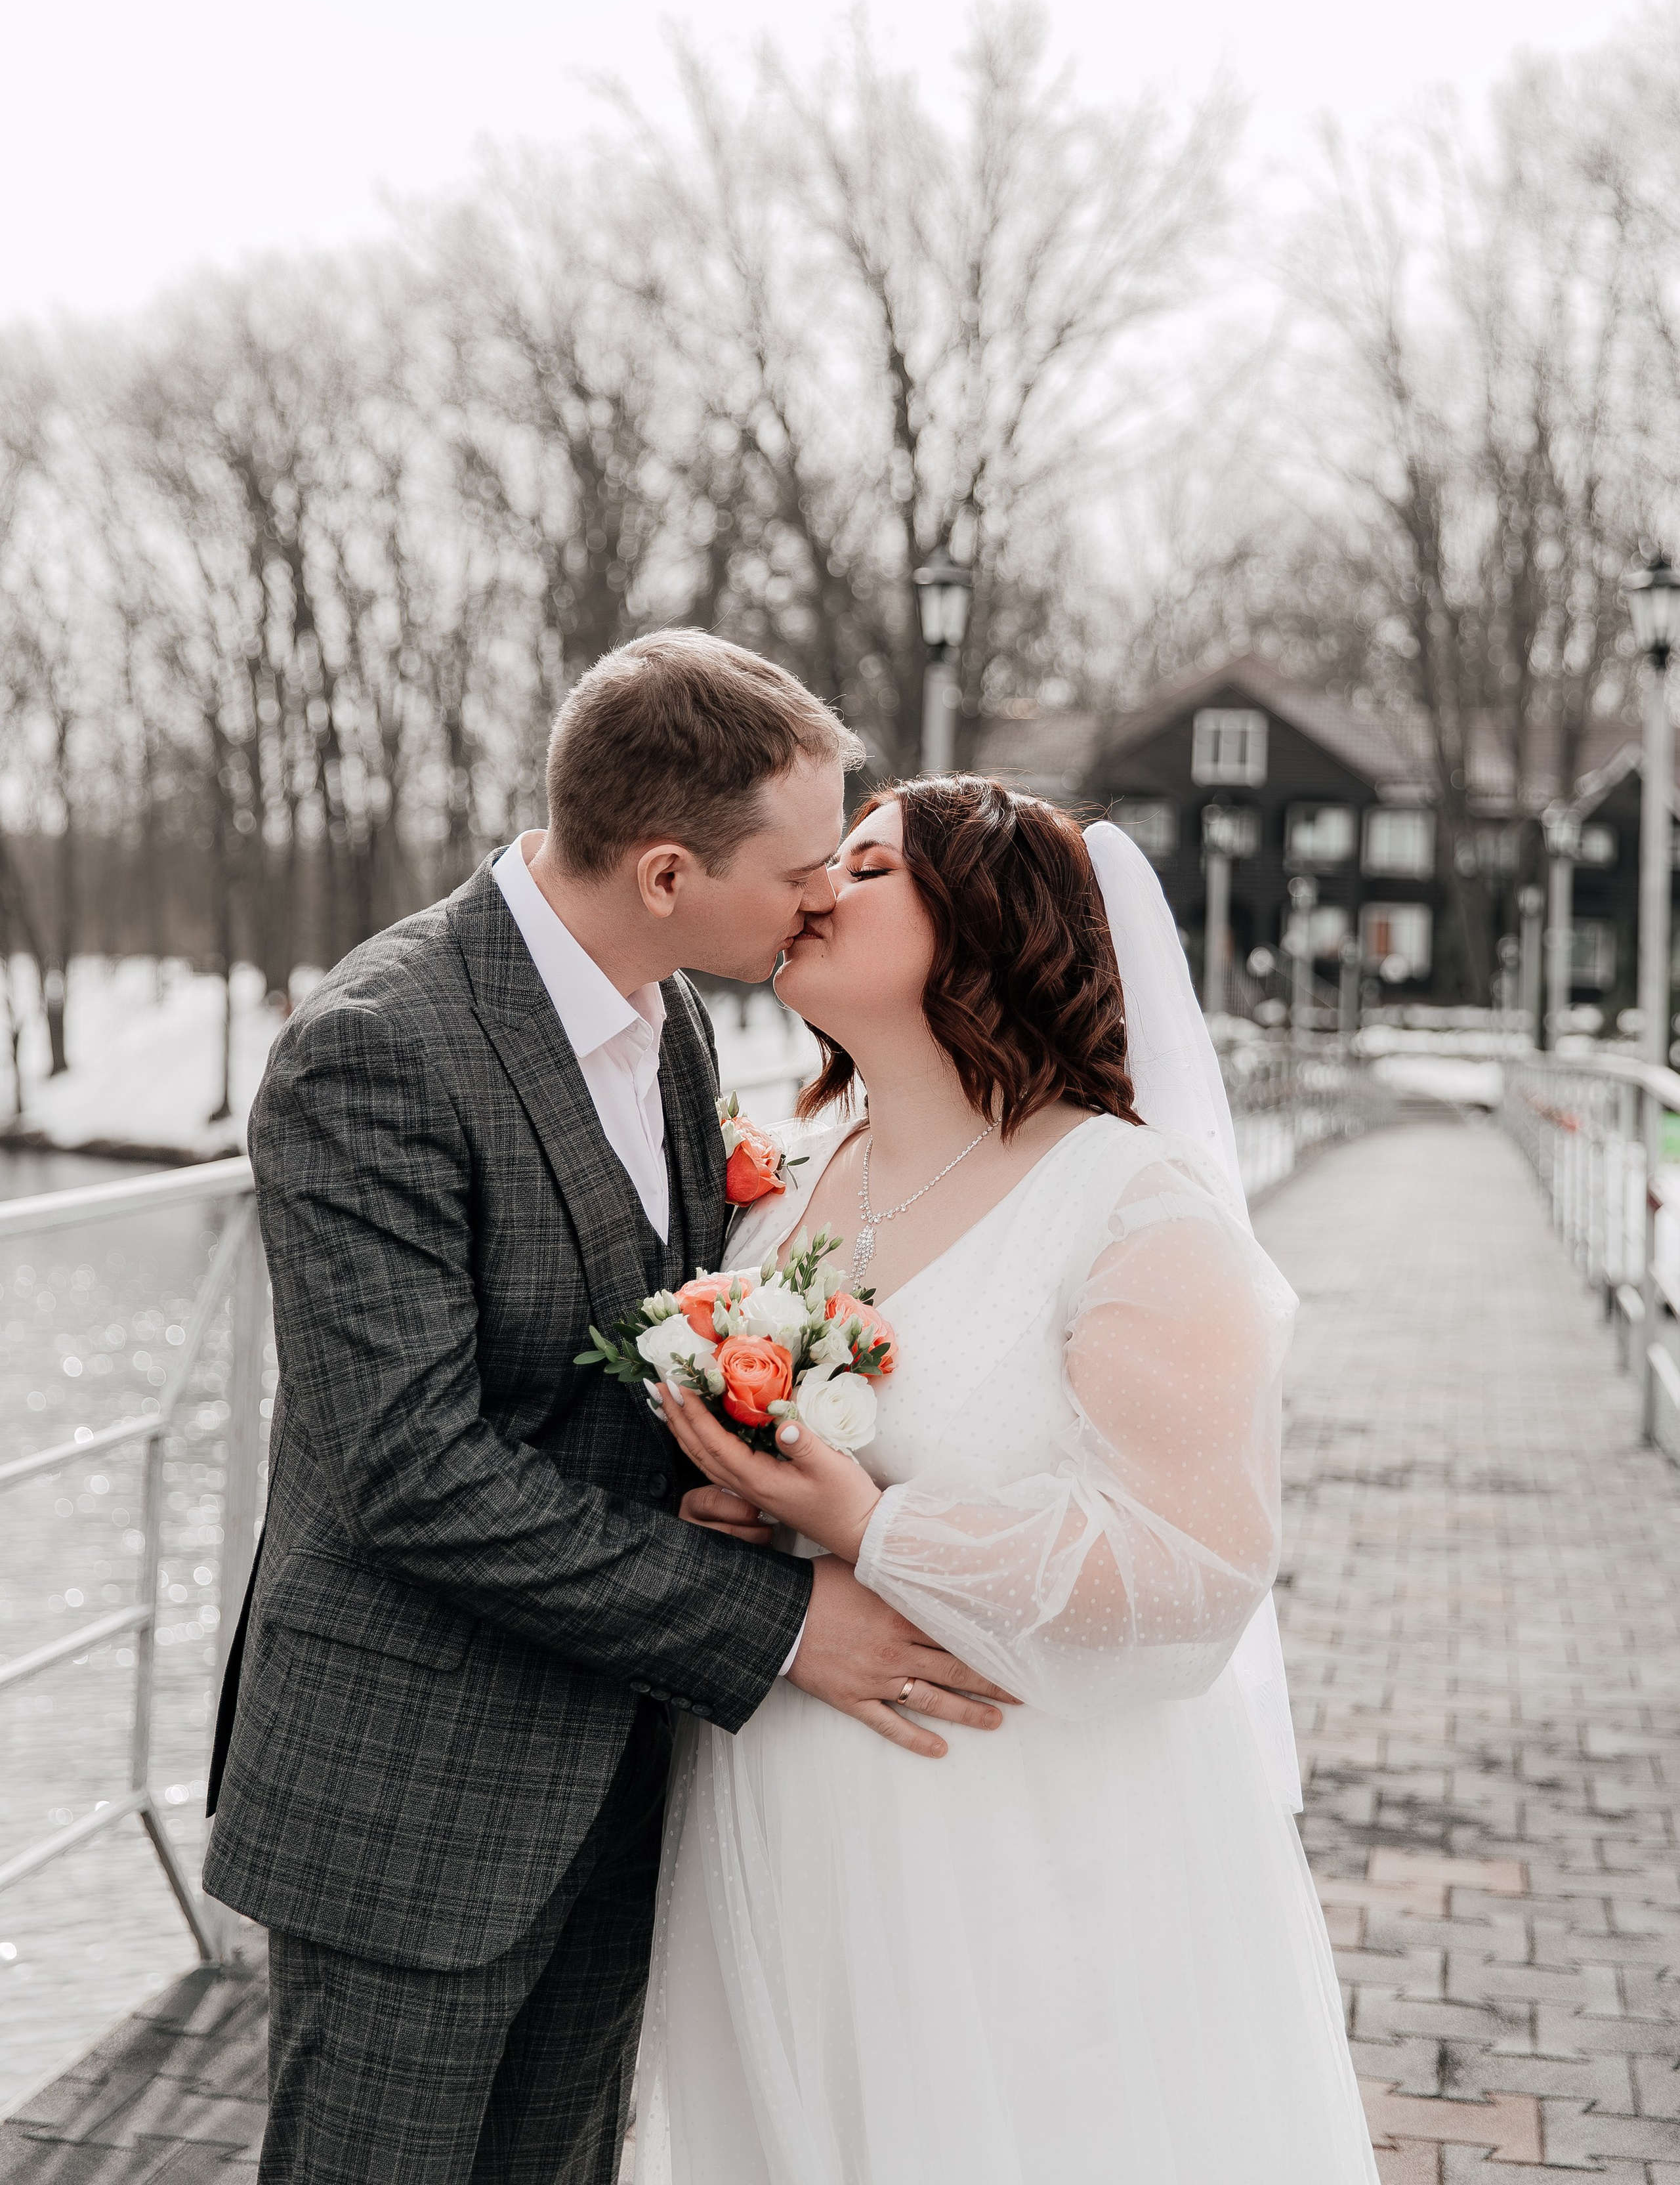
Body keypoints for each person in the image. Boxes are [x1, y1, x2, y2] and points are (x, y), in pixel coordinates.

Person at [201, 635, 1014, 2185]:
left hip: (618, 1776)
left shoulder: (672, 1015)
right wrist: (773, 1626)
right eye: (798, 872)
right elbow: (413, 1475)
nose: (821, 900)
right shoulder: (375, 1051)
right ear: (663, 872)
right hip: (413, 1800)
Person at [640, 776, 1379, 2185]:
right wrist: (742, 1501)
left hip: (1014, 1854)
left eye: (864, 865)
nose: (813, 885)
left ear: (981, 922)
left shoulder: (1131, 1205)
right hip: (777, 1822)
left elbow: (1192, 1568)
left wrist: (870, 1525)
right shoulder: (780, 1181)